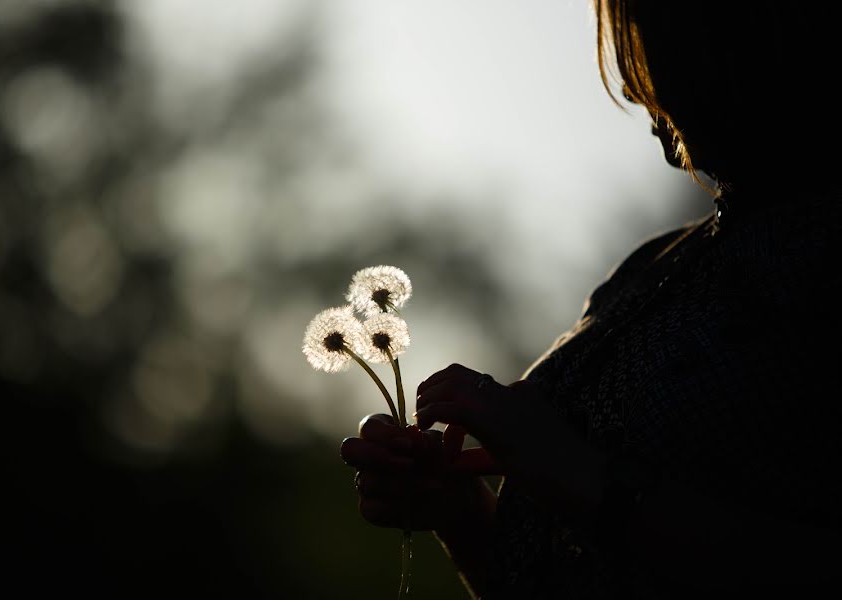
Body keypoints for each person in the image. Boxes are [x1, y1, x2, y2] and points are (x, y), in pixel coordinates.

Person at [341, 2, 842, 597]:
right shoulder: (645, 271)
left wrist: (583, 477)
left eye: (646, 38)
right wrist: (458, 511)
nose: (638, 93)